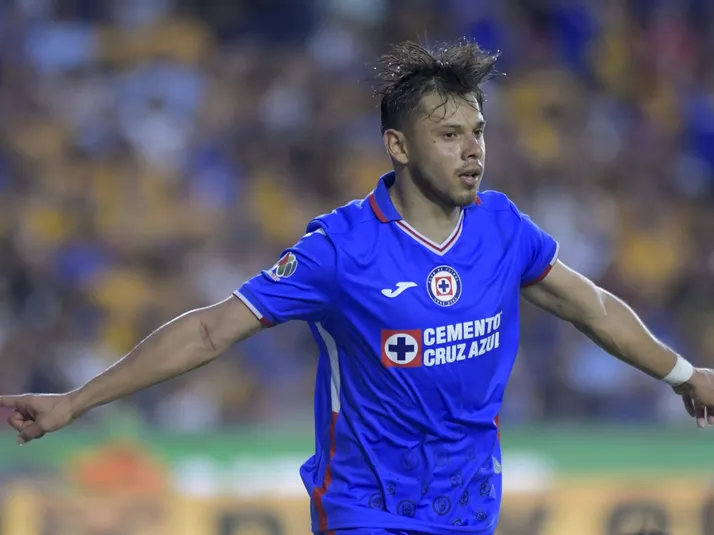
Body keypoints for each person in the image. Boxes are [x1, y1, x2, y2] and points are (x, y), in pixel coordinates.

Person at [1, 40, 712, 535]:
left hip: (470, 508)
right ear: (398, 146)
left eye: (478, 131)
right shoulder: (340, 250)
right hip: (365, 508)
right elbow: (212, 329)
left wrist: (684, 374)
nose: (473, 150)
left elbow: (593, 309)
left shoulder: (504, 229)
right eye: (449, 135)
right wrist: (75, 401)